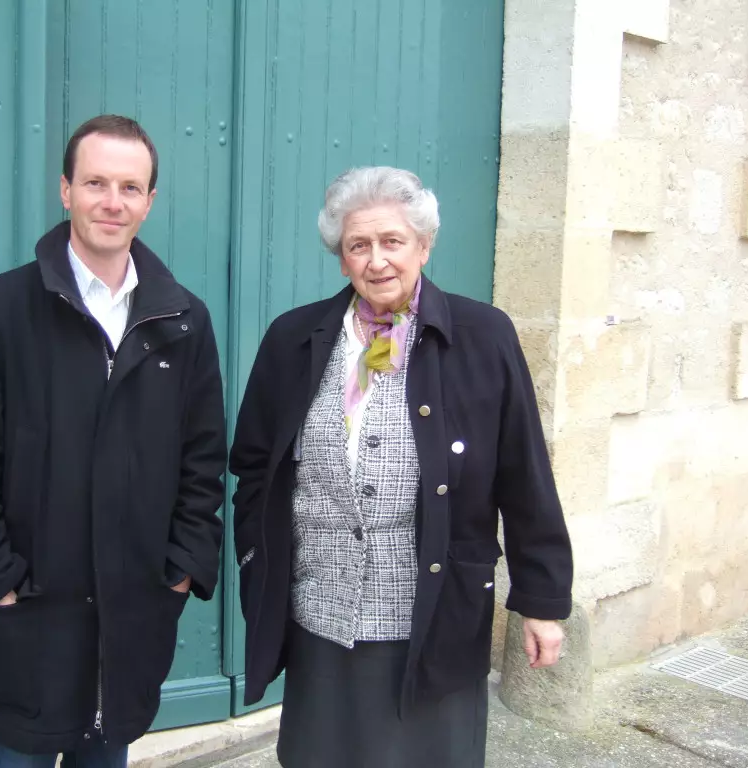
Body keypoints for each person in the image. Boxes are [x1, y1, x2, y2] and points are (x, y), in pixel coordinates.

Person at [229, 166, 574, 768]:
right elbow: (255, 468)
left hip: (434, 611)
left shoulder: (482, 336)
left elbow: (525, 473)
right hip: (321, 609)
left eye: (393, 242)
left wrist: (541, 599)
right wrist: (257, 558)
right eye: (358, 245)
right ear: (342, 259)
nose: (377, 261)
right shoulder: (293, 339)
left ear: (423, 246)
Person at [0, 115, 226, 768]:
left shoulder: (183, 319)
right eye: (95, 182)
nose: (111, 202)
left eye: (129, 186)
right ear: (65, 190)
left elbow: (203, 460)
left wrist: (181, 570)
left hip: (130, 625)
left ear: (150, 201)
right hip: (28, 625)